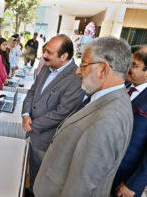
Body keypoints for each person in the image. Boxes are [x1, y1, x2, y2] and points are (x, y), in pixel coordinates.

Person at [33, 37, 134, 197]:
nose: (78, 71)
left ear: (103, 69)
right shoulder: (110, 99)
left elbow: (80, 188)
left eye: (84, 65)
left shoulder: (107, 120)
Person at [22, 35, 85, 194]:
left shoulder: (76, 79)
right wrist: (25, 114)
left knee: (47, 185)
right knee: (34, 174)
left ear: (64, 57)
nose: (43, 55)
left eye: (49, 52)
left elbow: (62, 114)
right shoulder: (45, 66)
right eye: (44, 51)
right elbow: (32, 92)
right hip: (34, 137)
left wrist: (32, 124)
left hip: (49, 142)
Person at [112, 45, 147, 197]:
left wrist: (134, 184)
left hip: (124, 178)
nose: (127, 68)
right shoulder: (122, 84)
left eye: (133, 65)